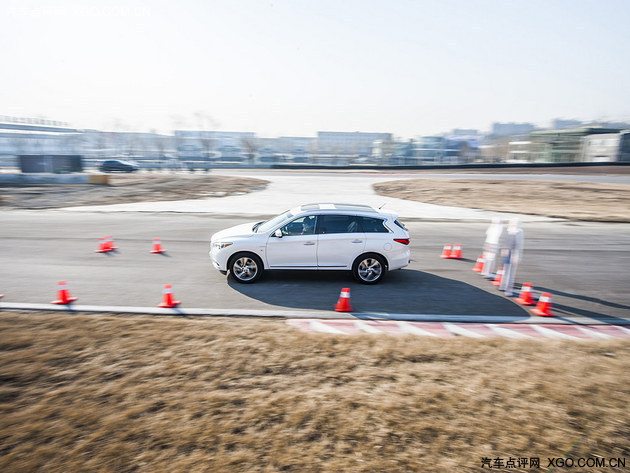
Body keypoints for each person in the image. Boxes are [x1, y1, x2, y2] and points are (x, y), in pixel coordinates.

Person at [500, 218, 524, 296]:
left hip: (514, 253)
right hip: (507, 252)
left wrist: (517, 256)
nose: (512, 223)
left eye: (514, 222)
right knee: (506, 270)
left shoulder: (519, 232)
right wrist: (504, 248)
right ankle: (503, 285)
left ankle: (509, 289)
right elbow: (506, 241)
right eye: (511, 222)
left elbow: (519, 245)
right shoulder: (509, 230)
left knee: (511, 273)